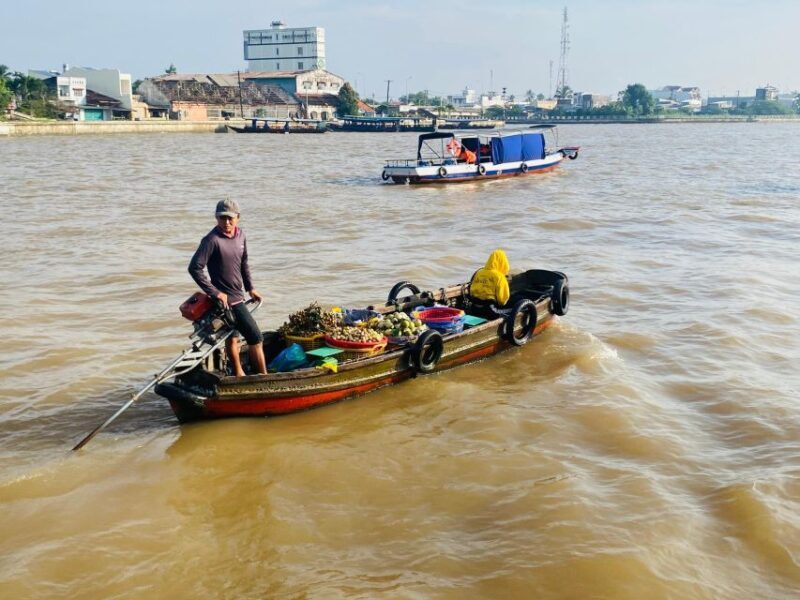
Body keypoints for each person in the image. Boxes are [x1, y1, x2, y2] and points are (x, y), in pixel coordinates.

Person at [189, 199, 267, 377]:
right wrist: (215, 292)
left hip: (239, 295)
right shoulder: (211, 240)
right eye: (222, 218)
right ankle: (264, 377)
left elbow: (243, 263)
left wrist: (250, 288)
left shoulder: (241, 236)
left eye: (230, 218)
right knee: (256, 338)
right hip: (226, 301)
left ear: (238, 217)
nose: (226, 222)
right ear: (216, 218)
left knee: (232, 337)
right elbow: (194, 268)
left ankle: (239, 375)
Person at [469, 248, 511, 318]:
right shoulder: (500, 277)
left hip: (474, 308)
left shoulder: (479, 273)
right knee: (513, 309)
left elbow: (471, 291)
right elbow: (502, 301)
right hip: (490, 310)